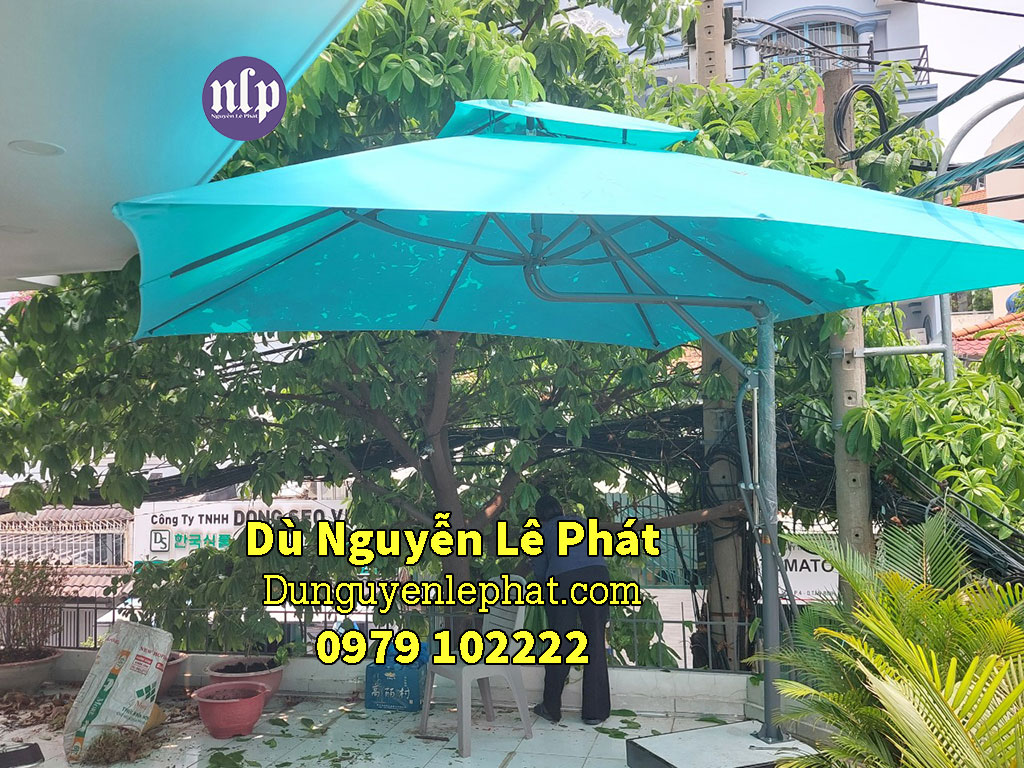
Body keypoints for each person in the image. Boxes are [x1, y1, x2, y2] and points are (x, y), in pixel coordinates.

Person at [530, 494, 611, 725]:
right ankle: (595, 713)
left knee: (560, 642)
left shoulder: (542, 532)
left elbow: (540, 571)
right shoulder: (582, 523)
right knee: (595, 641)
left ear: (540, 517)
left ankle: (551, 708)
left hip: (562, 581)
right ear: (561, 510)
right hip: (597, 577)